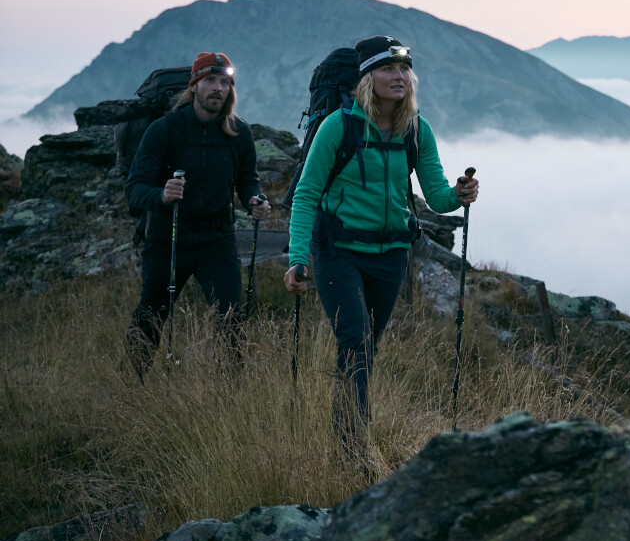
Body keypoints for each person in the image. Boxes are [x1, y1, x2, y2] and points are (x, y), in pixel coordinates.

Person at [284, 35, 478, 461]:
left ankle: (346, 434)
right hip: (338, 251)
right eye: (388, 69)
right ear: (367, 78)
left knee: (367, 349)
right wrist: (299, 258)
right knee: (355, 340)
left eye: (405, 69)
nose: (399, 77)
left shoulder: (416, 131)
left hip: (391, 256)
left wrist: (460, 194)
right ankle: (353, 451)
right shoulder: (338, 125)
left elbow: (437, 197)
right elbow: (306, 194)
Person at [124, 52, 271, 379]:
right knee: (151, 317)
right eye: (209, 81)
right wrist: (162, 195)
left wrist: (254, 199)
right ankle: (129, 387)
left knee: (232, 317)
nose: (217, 88)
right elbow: (135, 188)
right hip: (168, 238)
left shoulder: (238, 133)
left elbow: (247, 178)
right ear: (194, 86)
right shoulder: (165, 130)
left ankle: (231, 397)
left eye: (224, 82)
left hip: (217, 239)